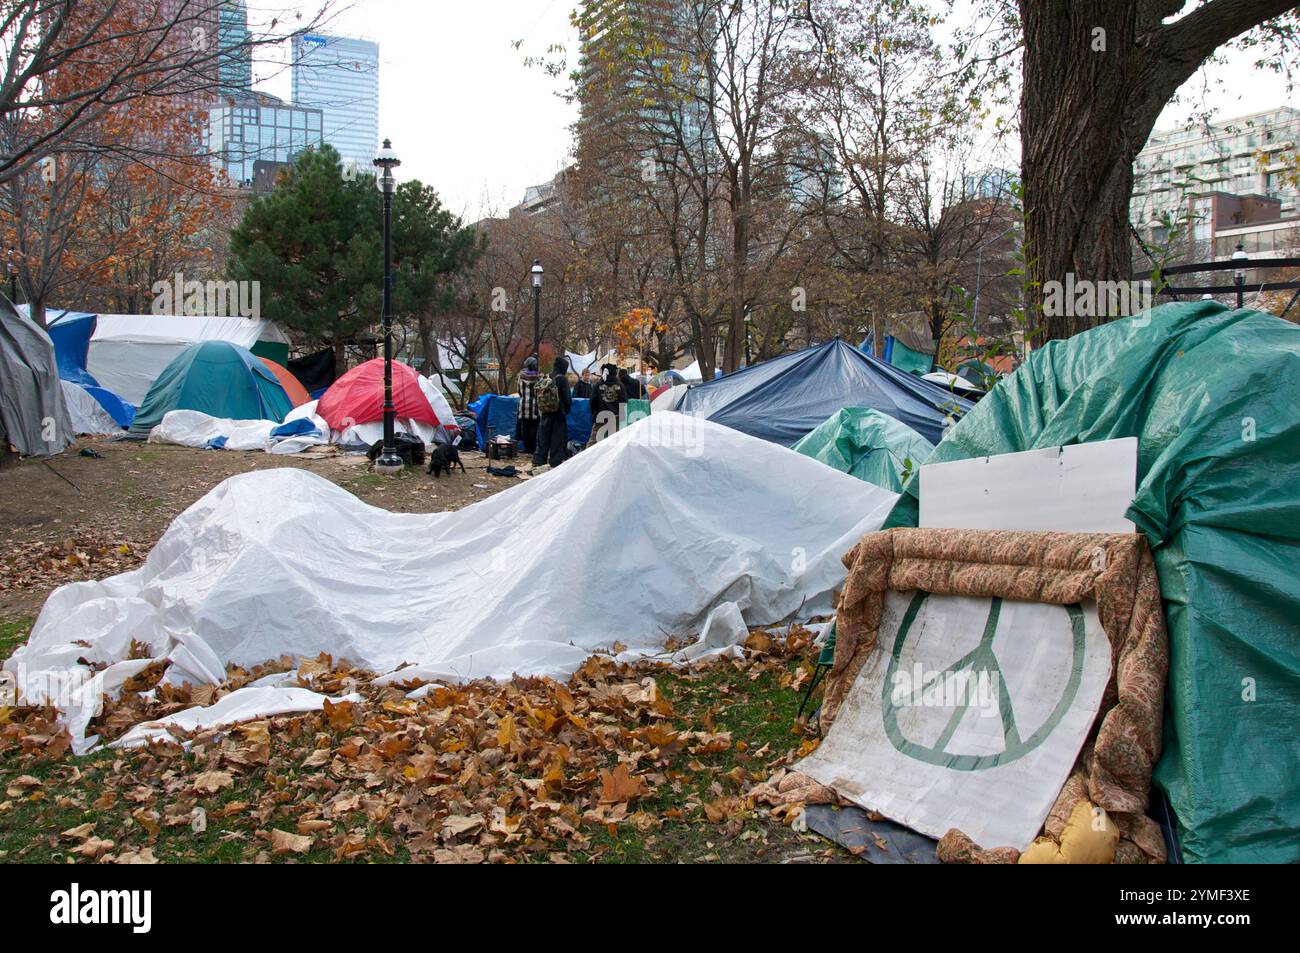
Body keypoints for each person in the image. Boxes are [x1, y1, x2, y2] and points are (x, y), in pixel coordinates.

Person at [531, 354, 571, 471]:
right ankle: (555, 461)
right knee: (557, 439)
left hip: (545, 412)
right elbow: (567, 399)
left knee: (543, 437)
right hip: (558, 414)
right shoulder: (562, 379)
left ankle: (538, 459)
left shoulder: (547, 377)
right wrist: (565, 411)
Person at [516, 356, 541, 454]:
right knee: (534, 428)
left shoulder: (521, 376)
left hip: (523, 405)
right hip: (535, 405)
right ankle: (533, 449)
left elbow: (518, 390)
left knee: (525, 428)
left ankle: (527, 449)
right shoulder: (538, 377)